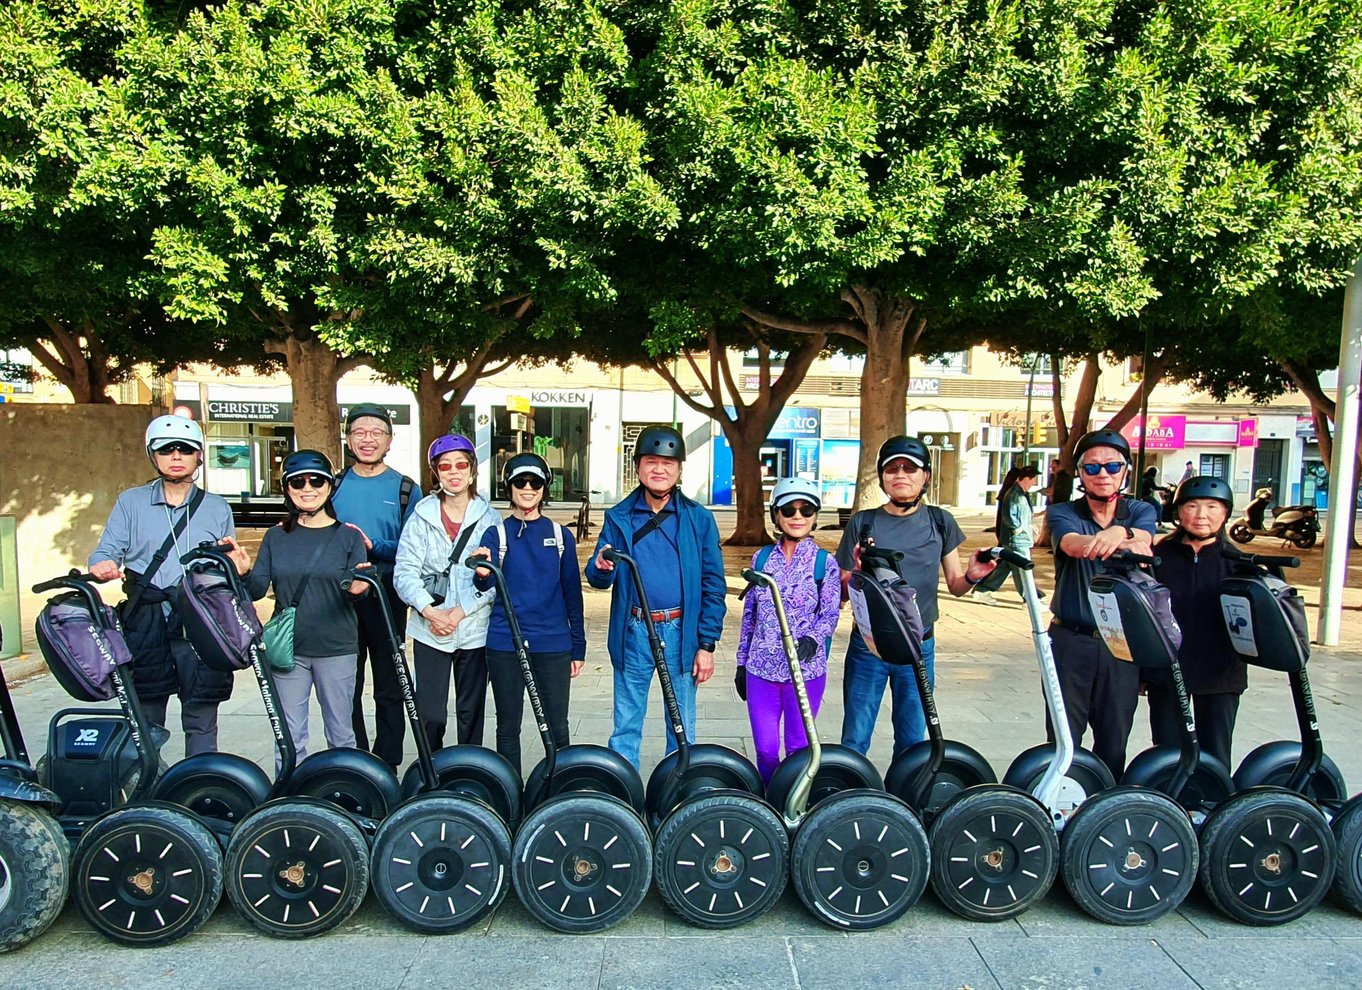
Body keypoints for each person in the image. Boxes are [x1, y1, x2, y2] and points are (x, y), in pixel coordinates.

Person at [90, 414, 246, 756]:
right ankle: (144, 786)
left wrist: (236, 568)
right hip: (146, 617)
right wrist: (101, 564)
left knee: (202, 709)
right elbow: (107, 549)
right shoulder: (131, 502)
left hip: (199, 620)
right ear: (153, 454)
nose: (176, 456)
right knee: (146, 715)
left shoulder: (217, 507)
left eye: (185, 449)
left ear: (199, 456)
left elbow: (226, 558)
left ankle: (201, 783)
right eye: (167, 449)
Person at [837, 436, 997, 758]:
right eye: (892, 468)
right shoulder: (863, 522)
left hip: (918, 647)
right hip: (868, 647)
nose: (900, 475)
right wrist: (853, 572)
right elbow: (842, 593)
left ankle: (906, 798)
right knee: (855, 737)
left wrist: (972, 577)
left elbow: (954, 584)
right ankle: (850, 799)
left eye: (909, 468)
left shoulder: (940, 522)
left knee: (912, 740)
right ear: (882, 477)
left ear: (925, 476)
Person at [586, 425, 726, 770]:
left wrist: (706, 644)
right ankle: (625, 794)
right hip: (633, 630)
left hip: (680, 632)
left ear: (679, 469)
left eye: (668, 463)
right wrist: (602, 566)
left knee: (681, 726)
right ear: (637, 467)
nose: (659, 470)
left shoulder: (698, 519)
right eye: (651, 462)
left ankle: (676, 792)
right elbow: (598, 576)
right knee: (626, 724)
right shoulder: (619, 516)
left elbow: (713, 584)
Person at [244, 450, 369, 761]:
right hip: (288, 649)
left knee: (341, 734)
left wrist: (359, 589)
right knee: (289, 736)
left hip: (337, 647)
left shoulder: (349, 537)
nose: (307, 488)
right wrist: (242, 571)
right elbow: (257, 589)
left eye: (317, 481)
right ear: (287, 489)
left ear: (330, 486)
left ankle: (342, 796)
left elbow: (359, 591)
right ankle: (289, 800)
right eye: (298, 482)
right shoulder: (276, 536)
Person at [1047, 428, 1157, 778]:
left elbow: (1146, 538)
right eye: (1092, 468)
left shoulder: (1140, 509)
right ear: (1080, 473)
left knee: (1114, 738)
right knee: (1063, 737)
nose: (1103, 475)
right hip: (1070, 639)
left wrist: (1120, 533)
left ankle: (1105, 805)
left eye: (1112, 466)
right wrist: (1121, 540)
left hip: (1122, 643)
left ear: (1125, 470)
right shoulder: (1063, 511)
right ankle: (1061, 802)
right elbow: (1072, 544)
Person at [471, 453, 585, 777]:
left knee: (557, 727)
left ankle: (558, 790)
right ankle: (511, 795)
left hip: (552, 643)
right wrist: (481, 572)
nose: (527, 488)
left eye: (535, 482)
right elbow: (485, 583)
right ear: (509, 487)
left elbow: (572, 594)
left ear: (544, 488)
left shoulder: (561, 536)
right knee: (508, 726)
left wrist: (578, 647)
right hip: (506, 643)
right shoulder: (496, 535)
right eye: (520, 481)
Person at [330, 403, 419, 773]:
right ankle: (354, 757)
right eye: (360, 432)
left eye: (376, 433)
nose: (368, 439)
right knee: (345, 681)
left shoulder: (404, 488)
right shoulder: (331, 484)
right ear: (348, 439)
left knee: (389, 679)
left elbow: (415, 549)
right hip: (339, 596)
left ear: (389, 440)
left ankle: (388, 762)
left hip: (387, 593)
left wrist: (375, 546)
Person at [735, 478, 842, 784]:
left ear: (815, 516)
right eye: (789, 509)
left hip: (804, 671)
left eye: (806, 510)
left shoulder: (825, 563)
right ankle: (770, 803)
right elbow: (751, 614)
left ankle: (794, 803)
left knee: (798, 748)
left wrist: (813, 638)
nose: (797, 516)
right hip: (762, 669)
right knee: (766, 750)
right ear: (776, 516)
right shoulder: (762, 558)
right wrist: (742, 662)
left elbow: (830, 612)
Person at [394, 434, 497, 749]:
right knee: (431, 714)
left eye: (461, 465)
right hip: (430, 628)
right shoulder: (421, 517)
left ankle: (468, 772)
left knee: (471, 712)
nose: (454, 472)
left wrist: (461, 611)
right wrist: (430, 611)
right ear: (436, 472)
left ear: (472, 470)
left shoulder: (489, 517)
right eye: (445, 466)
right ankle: (431, 774)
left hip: (474, 628)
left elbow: (496, 577)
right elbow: (404, 571)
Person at [1147, 476, 1245, 768]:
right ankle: (1171, 807)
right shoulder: (1155, 558)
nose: (1201, 515)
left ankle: (1213, 807)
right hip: (1168, 670)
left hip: (1221, 673)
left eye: (1212, 507)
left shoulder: (1239, 563)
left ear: (1225, 513)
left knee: (1216, 754)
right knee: (1167, 753)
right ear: (1179, 512)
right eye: (1192, 506)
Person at [972, 463, 1044, 605]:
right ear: (1027, 478)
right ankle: (1030, 600)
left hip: (1019, 538)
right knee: (1022, 568)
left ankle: (983, 590)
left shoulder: (1023, 494)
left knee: (1005, 567)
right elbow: (1009, 516)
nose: (1035, 483)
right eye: (1034, 479)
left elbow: (1023, 516)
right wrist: (1018, 530)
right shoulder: (1014, 494)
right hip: (1017, 540)